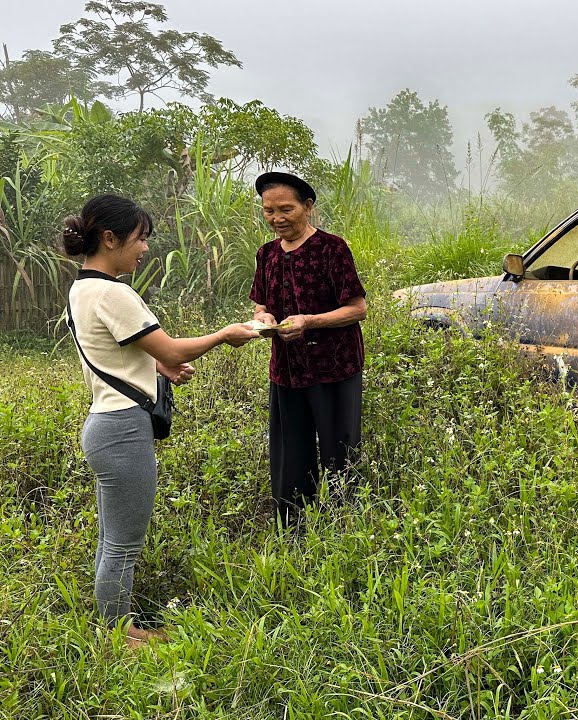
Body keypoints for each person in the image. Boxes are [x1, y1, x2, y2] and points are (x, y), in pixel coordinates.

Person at [63, 194, 261, 648]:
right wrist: (224, 335)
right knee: (123, 544)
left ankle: (114, 624)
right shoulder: (114, 292)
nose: (145, 248)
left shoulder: (82, 288)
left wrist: (155, 367)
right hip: (122, 429)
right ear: (109, 238)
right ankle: (121, 635)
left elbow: (109, 349)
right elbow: (171, 348)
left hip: (104, 424)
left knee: (111, 538)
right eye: (140, 238)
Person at [250, 171, 367, 527]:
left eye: (286, 209)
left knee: (339, 449)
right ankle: (293, 525)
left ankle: (344, 523)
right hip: (286, 370)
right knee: (290, 451)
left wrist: (309, 321)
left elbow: (357, 309)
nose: (277, 218)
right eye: (269, 211)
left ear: (308, 207)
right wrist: (264, 318)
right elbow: (259, 305)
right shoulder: (266, 254)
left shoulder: (332, 248)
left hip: (334, 367)